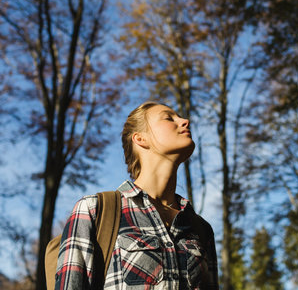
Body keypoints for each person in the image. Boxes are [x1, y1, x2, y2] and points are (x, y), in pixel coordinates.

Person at [55, 101, 218, 289]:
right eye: (168, 118)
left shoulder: (201, 229)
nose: (185, 121)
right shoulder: (95, 211)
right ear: (140, 139)